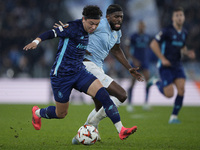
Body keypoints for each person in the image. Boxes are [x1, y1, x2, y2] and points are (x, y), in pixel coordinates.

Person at [23, 5, 138, 140]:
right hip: (61, 75)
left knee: (104, 96)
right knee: (61, 113)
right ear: (83, 19)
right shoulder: (72, 28)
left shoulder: (90, 30)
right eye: (91, 24)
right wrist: (36, 41)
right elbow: (50, 33)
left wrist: (85, 51)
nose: (93, 28)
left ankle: (121, 130)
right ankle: (37, 112)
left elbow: (84, 43)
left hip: (80, 72)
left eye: (96, 24)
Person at [54, 4, 143, 144]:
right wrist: (65, 28)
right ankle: (103, 127)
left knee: (100, 106)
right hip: (87, 65)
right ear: (107, 17)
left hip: (98, 68)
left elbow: (116, 50)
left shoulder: (116, 32)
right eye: (116, 17)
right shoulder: (99, 24)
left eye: (121, 17)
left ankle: (82, 134)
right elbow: (80, 27)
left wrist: (129, 67)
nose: (119, 19)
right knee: (121, 95)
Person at [149, 7, 195, 124]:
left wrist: (187, 52)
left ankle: (173, 117)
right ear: (173, 18)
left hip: (177, 65)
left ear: (183, 17)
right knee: (169, 94)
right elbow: (153, 44)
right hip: (165, 66)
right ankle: (155, 81)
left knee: (182, 89)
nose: (179, 17)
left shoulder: (184, 32)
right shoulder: (166, 31)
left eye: (181, 15)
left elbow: (182, 47)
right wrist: (162, 59)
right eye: (177, 15)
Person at [125, 20, 151, 112]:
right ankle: (130, 104)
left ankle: (146, 103)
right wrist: (133, 59)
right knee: (133, 82)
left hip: (145, 62)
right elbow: (127, 48)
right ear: (138, 26)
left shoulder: (147, 37)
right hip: (135, 62)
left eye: (143, 26)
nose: (141, 27)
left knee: (148, 81)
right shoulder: (133, 36)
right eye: (140, 26)